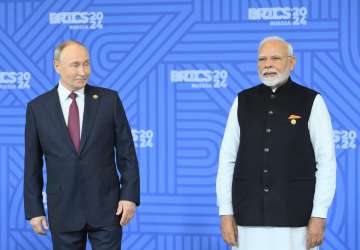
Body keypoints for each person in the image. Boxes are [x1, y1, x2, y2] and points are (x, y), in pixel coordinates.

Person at [216, 36, 336, 250]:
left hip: (296, 219)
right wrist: (225, 211)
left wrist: (319, 214)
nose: (268, 64)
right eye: (262, 59)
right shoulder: (242, 101)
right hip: (247, 217)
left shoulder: (312, 101)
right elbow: (227, 160)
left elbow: (326, 162)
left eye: (275, 58)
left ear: (292, 62)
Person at [24, 40, 140, 250]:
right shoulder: (37, 108)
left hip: (107, 209)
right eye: (75, 65)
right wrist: (34, 209)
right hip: (63, 209)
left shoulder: (109, 100)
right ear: (57, 66)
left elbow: (127, 153)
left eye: (86, 64)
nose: (83, 71)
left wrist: (129, 196)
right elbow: (32, 164)